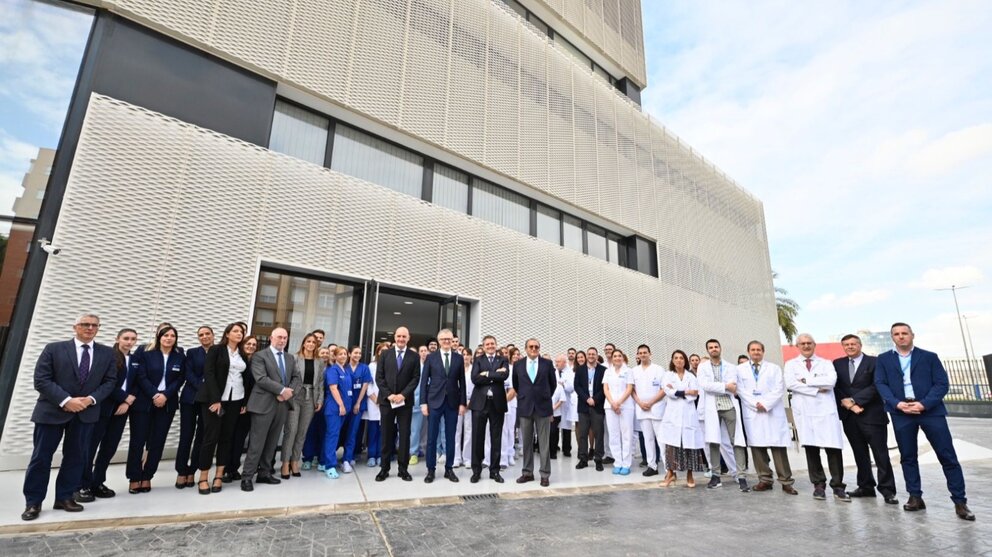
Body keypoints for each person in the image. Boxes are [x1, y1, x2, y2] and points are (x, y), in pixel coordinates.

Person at [21, 314, 117, 521]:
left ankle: (64, 497)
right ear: (75, 327)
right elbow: (41, 380)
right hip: (52, 412)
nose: (89, 328)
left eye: (94, 325)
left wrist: (90, 400)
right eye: (85, 324)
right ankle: (33, 502)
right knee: (41, 458)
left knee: (76, 458)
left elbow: (110, 382)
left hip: (86, 413)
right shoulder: (54, 349)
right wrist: (66, 400)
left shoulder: (107, 353)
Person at [875, 323, 974, 520]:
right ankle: (915, 497)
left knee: (947, 456)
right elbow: (880, 383)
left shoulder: (929, 357)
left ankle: (960, 502)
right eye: (897, 334)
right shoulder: (884, 359)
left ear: (912, 335)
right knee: (908, 456)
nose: (901, 336)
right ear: (892, 337)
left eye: (905, 333)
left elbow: (941, 383)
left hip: (930, 411)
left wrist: (924, 404)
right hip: (901, 412)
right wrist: (896, 404)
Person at [833, 333, 897, 504]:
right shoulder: (837, 364)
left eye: (853, 344)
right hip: (850, 416)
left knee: (880, 454)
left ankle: (887, 489)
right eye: (846, 344)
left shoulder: (875, 362)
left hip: (872, 415)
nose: (850, 347)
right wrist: (850, 405)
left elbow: (878, 385)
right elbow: (836, 387)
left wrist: (855, 400)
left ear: (860, 345)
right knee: (859, 453)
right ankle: (866, 486)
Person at [785, 333, 848, 502]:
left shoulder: (826, 363)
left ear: (814, 345)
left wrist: (805, 381)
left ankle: (838, 486)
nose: (806, 346)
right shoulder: (791, 364)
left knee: (833, 448)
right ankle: (818, 485)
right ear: (797, 346)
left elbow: (830, 382)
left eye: (809, 343)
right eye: (802, 343)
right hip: (805, 412)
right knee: (811, 449)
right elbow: (791, 384)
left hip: (826, 411)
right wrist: (816, 387)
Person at [79, 328, 137, 502]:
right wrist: (124, 397)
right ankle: (82, 484)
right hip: (104, 408)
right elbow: (106, 383)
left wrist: (127, 402)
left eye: (133, 339)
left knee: (109, 448)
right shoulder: (108, 356)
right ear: (117, 339)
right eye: (126, 338)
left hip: (122, 410)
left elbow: (137, 382)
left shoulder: (134, 360)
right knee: (90, 446)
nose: (129, 342)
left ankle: (98, 482)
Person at [241, 327, 300, 492]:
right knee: (257, 443)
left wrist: (288, 394)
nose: (282, 340)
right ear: (271, 338)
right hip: (263, 404)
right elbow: (261, 378)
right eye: (279, 337)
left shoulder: (289, 358)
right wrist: (282, 390)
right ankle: (247, 476)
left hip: (282, 405)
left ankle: (264, 473)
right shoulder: (260, 356)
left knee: (272, 442)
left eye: (285, 338)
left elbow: (296, 377)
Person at [127, 325, 185, 494]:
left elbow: (180, 378)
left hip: (167, 403)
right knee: (138, 441)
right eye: (165, 335)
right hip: (144, 403)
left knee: (157, 442)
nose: (169, 338)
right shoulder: (146, 354)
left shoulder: (179, 357)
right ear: (159, 337)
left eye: (172, 336)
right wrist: (154, 394)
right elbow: (140, 376)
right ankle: (134, 477)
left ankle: (147, 476)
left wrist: (165, 395)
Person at [737, 341, 796, 494]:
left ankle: (786, 481)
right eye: (753, 350)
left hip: (771, 411)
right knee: (757, 448)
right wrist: (755, 404)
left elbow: (778, 389)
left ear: (763, 351)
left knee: (778, 449)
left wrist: (765, 404)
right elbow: (741, 390)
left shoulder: (774, 368)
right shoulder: (739, 370)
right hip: (753, 412)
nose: (756, 352)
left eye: (759, 350)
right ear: (748, 351)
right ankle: (765, 480)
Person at [196, 322, 249, 495]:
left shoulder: (242, 354)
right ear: (227, 334)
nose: (239, 334)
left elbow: (245, 378)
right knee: (210, 438)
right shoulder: (216, 350)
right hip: (217, 400)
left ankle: (219, 475)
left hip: (236, 399)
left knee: (227, 438)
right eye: (235, 331)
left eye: (241, 332)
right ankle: (203, 477)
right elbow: (209, 374)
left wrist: (244, 402)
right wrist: (216, 399)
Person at [697, 338, 749, 492]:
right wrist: (725, 386)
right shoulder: (702, 367)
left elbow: (734, 387)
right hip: (712, 406)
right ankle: (716, 476)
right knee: (713, 441)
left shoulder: (731, 367)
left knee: (737, 441)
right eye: (711, 347)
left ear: (720, 348)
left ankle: (741, 476)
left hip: (729, 406)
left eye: (716, 346)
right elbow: (704, 385)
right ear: (707, 350)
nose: (714, 349)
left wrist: (722, 387)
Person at [420, 329, 466, 483]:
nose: (447, 341)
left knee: (451, 437)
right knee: (432, 437)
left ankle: (449, 469)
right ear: (439, 341)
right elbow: (424, 381)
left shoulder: (459, 358)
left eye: (449, 339)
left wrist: (462, 403)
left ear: (453, 340)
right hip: (434, 402)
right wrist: (423, 403)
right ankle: (431, 470)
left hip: (452, 403)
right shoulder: (431, 358)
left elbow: (462, 383)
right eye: (444, 339)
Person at [375, 327, 420, 482]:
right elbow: (379, 378)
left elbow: (415, 379)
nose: (401, 339)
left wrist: (402, 395)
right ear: (395, 337)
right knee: (386, 435)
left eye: (404, 336)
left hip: (405, 402)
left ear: (408, 338)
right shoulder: (385, 354)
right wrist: (390, 395)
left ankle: (403, 469)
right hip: (387, 402)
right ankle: (384, 469)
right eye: (399, 336)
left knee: (405, 435)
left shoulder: (414, 357)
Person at [510, 338, 556, 487]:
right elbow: (516, 385)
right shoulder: (518, 365)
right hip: (525, 406)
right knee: (527, 442)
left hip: (543, 407)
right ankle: (527, 473)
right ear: (526, 348)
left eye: (536, 346)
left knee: (544, 443)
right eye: (531, 346)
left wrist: (544, 397)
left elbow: (553, 385)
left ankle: (545, 474)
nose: (534, 349)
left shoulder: (547, 364)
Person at [281, 333, 325, 479]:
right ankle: (285, 463)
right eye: (308, 341)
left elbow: (320, 383)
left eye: (314, 342)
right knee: (291, 430)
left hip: (310, 398)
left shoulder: (319, 361)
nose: (311, 344)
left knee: (302, 432)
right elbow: (287, 378)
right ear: (303, 343)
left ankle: (295, 461)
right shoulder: (294, 358)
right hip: (295, 396)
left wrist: (319, 400)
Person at [659, 350, 705, 488]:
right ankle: (671, 474)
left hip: (688, 413)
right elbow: (668, 392)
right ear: (672, 361)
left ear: (685, 361)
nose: (679, 360)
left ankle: (689, 475)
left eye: (681, 358)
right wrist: (685, 391)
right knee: (671, 445)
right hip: (672, 415)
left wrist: (678, 391)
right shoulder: (667, 375)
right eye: (676, 358)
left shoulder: (691, 376)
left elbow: (695, 394)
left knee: (690, 445)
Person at [176, 325, 213, 489]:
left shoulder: (219, 351)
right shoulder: (192, 352)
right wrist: (203, 388)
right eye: (201, 335)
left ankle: (192, 470)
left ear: (213, 335)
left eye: (207, 334)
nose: (204, 337)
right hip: (190, 399)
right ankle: (181, 471)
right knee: (186, 435)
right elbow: (188, 373)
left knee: (202, 437)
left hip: (208, 402)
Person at [469, 335, 510, 483]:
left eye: (492, 344)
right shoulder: (478, 360)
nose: (490, 346)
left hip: (497, 404)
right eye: (487, 344)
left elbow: (504, 376)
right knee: (477, 438)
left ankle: (494, 471)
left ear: (496, 345)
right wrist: (495, 375)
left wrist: (486, 374)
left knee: (496, 438)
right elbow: (475, 378)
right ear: (484, 346)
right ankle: (476, 470)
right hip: (480, 403)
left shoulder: (503, 359)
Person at [224, 333, 257, 482]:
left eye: (254, 345)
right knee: (228, 437)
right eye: (248, 344)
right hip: (234, 403)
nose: (251, 346)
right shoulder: (238, 361)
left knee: (239, 439)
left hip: (248, 406)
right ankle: (224, 468)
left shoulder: (257, 362)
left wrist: (247, 404)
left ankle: (234, 468)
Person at [631, 344, 666, 478]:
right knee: (648, 439)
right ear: (638, 355)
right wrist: (640, 403)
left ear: (650, 354)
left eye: (645, 352)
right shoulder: (634, 371)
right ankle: (652, 466)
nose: (643, 354)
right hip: (642, 409)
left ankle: (669, 468)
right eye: (640, 353)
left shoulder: (659, 369)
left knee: (661, 439)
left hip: (656, 408)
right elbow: (632, 390)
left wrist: (651, 402)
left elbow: (664, 389)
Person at [602, 348, 635, 476]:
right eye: (615, 356)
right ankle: (618, 462)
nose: (617, 358)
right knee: (614, 435)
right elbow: (606, 389)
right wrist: (613, 403)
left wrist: (619, 402)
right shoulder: (608, 371)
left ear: (623, 357)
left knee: (626, 435)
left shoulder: (628, 371)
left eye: (619, 356)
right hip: (610, 406)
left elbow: (629, 389)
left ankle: (626, 464)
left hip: (625, 406)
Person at [322, 347, 352, 478]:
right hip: (335, 408)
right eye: (340, 354)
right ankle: (329, 465)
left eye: (345, 354)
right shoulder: (333, 370)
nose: (343, 356)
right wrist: (341, 405)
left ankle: (324, 461)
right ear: (334, 356)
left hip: (343, 409)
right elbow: (333, 389)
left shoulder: (345, 370)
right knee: (332, 435)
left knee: (334, 435)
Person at [574, 348, 606, 471]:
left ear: (597, 356)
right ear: (587, 356)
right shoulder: (580, 370)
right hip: (583, 405)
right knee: (582, 434)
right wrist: (587, 398)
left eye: (593, 354)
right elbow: (577, 386)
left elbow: (605, 388)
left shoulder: (603, 370)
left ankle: (598, 459)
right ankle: (583, 459)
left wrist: (595, 399)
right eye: (589, 354)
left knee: (599, 434)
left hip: (597, 406)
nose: (591, 356)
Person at [302, 345, 333, 470]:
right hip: (312, 402)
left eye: (327, 353)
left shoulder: (332, 369)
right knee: (310, 431)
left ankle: (322, 459)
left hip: (327, 404)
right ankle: (308, 457)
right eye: (322, 353)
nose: (325, 355)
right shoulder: (314, 367)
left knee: (324, 432)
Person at [343, 346, 371, 472]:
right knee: (338, 431)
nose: (357, 355)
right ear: (349, 354)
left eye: (359, 353)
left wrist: (358, 403)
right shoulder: (343, 367)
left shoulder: (364, 368)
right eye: (355, 353)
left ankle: (347, 459)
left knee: (352, 432)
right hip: (343, 404)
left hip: (357, 405)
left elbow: (365, 386)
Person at [452, 350, 475, 468]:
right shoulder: (456, 369)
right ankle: (456, 458)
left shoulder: (474, 369)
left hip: (471, 403)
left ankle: (467, 458)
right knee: (456, 431)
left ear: (471, 356)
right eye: (463, 355)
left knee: (468, 431)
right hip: (457, 403)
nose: (465, 357)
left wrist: (470, 402)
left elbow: (477, 387)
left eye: (467, 355)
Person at [410, 345, 429, 465]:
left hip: (426, 402)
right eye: (421, 351)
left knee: (424, 430)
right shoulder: (415, 367)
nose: (423, 353)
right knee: (414, 430)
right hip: (414, 402)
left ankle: (422, 449)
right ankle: (413, 453)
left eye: (425, 351)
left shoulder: (430, 365)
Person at [549, 355, 569, 459]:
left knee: (554, 432)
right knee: (546, 433)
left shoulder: (559, 386)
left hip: (556, 413)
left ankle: (553, 453)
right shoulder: (544, 386)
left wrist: (552, 409)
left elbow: (562, 400)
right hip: (546, 413)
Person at [559, 354, 576, 458]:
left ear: (564, 363)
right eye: (556, 362)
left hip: (566, 402)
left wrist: (563, 385)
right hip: (555, 403)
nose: (556, 364)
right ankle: (554, 447)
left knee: (566, 427)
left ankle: (566, 449)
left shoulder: (570, 373)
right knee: (554, 427)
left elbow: (571, 388)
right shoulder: (554, 371)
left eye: (558, 362)